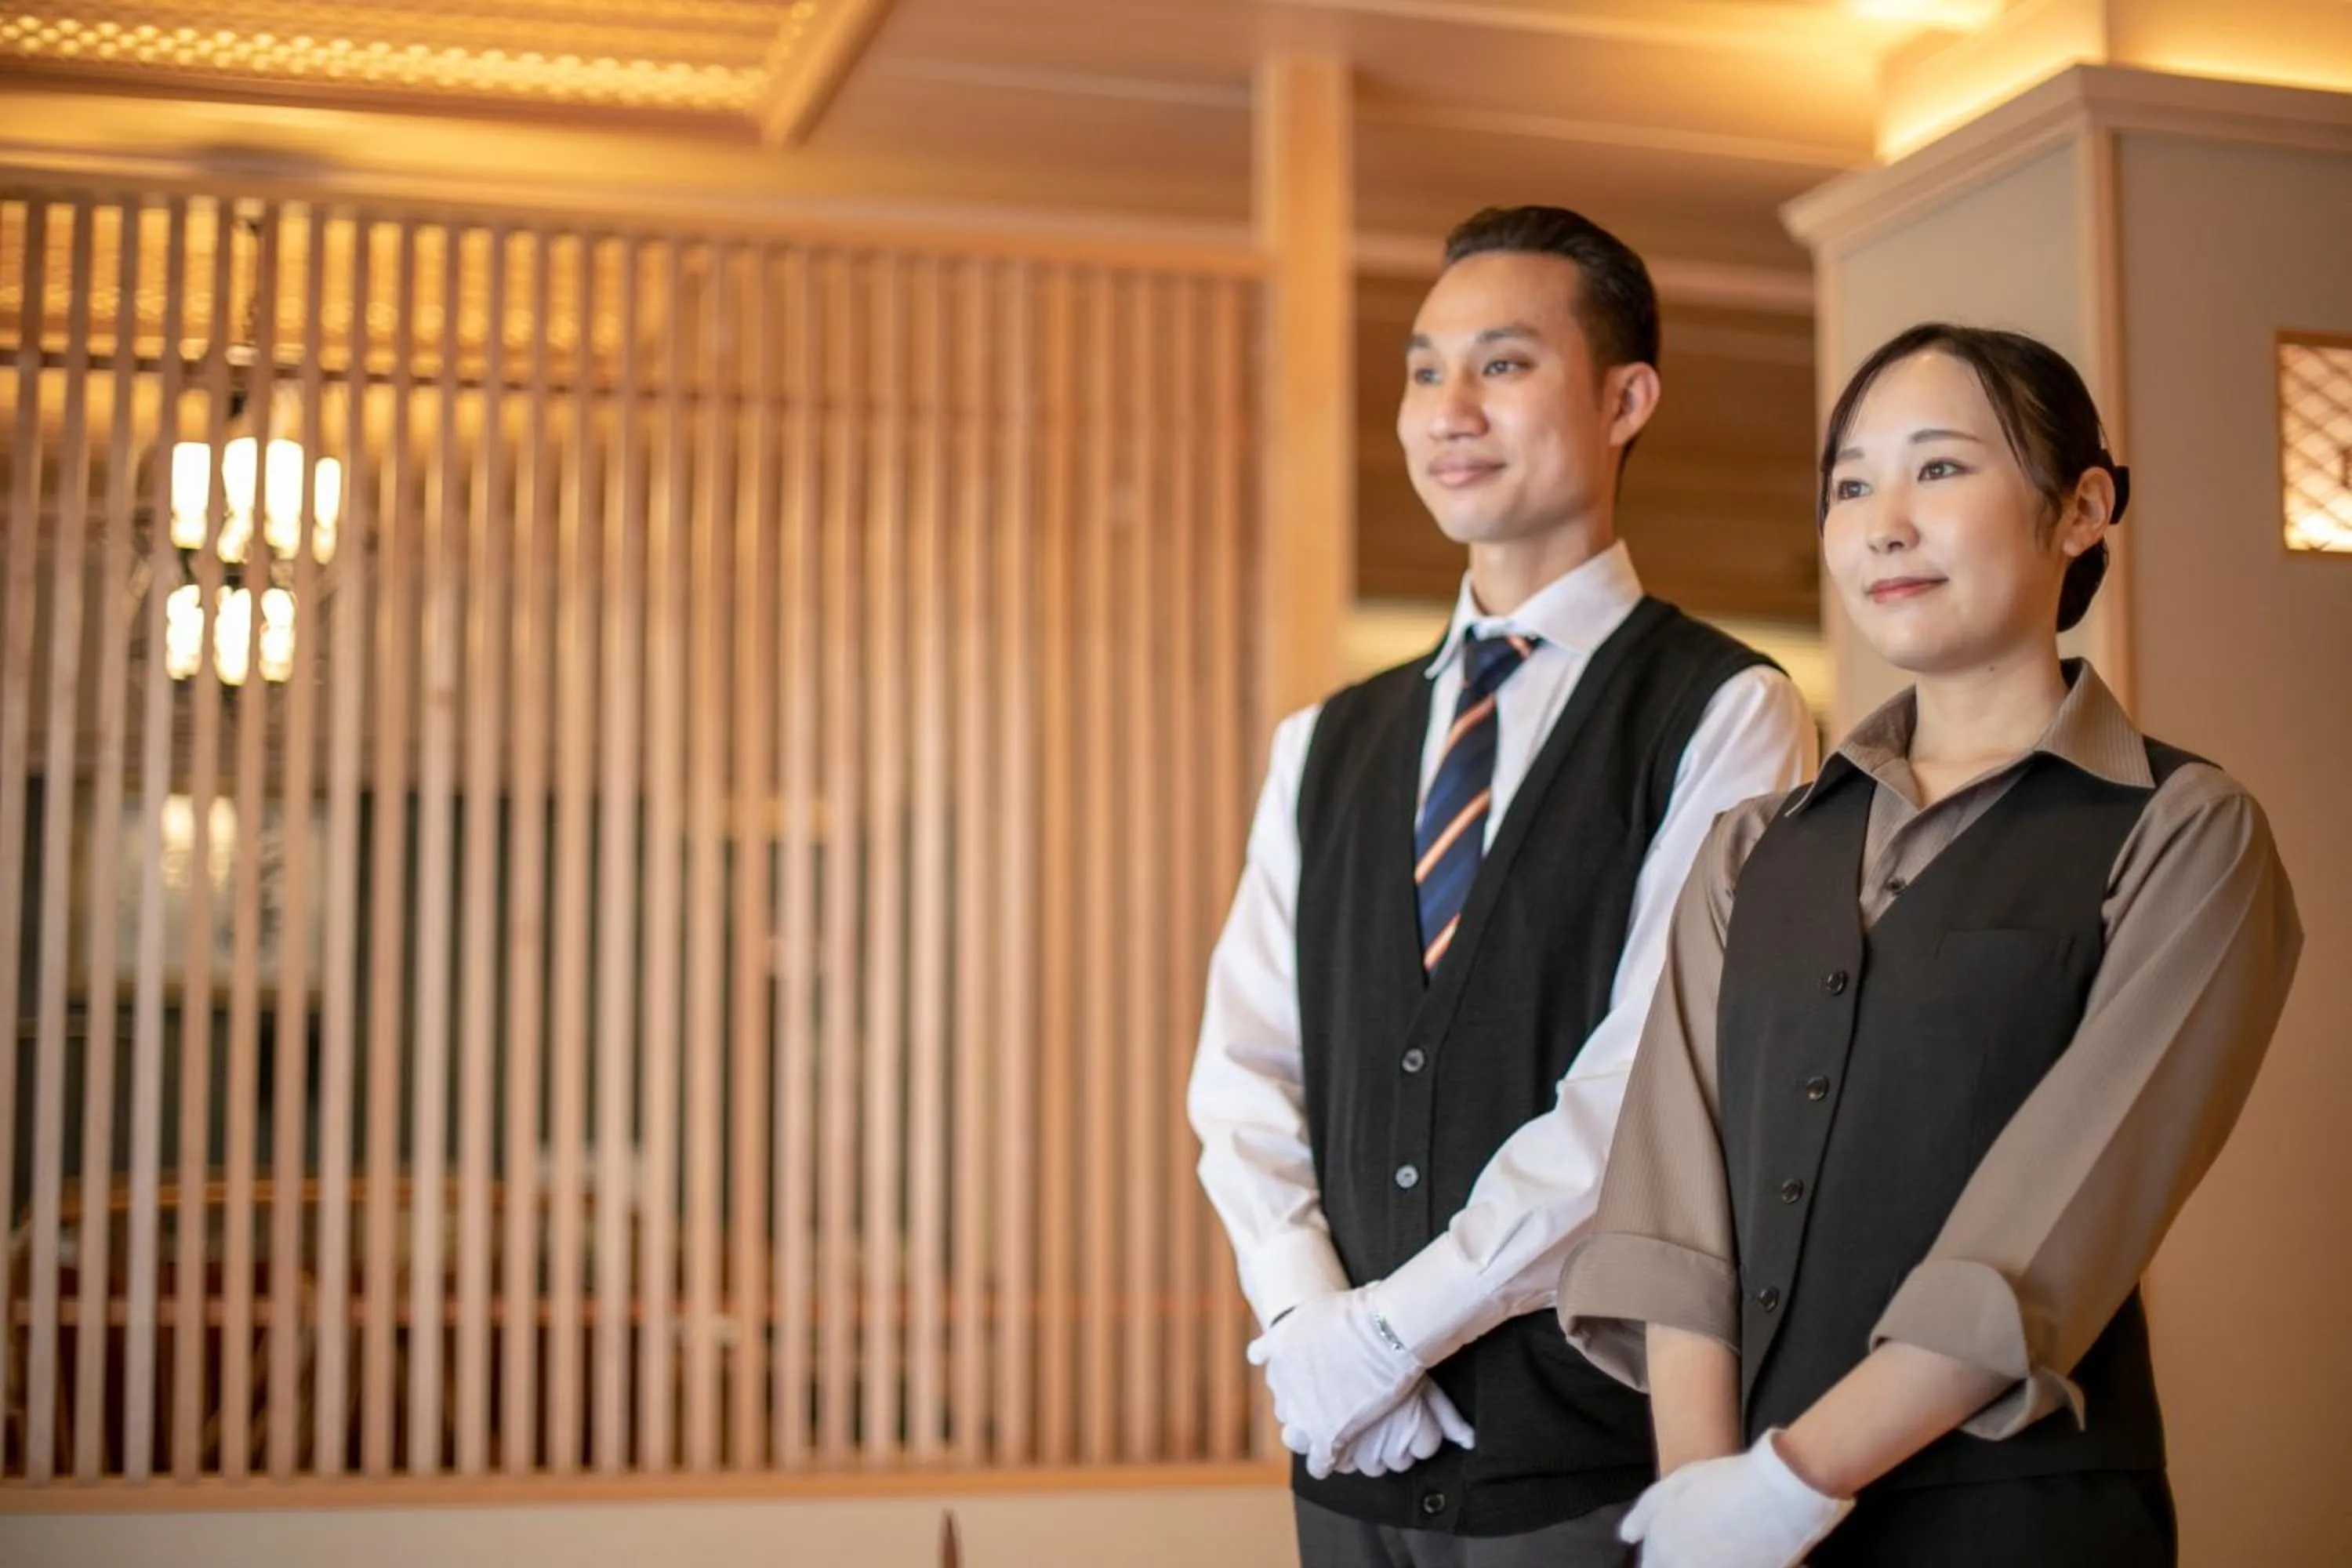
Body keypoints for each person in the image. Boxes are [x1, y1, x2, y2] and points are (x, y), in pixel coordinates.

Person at [1555, 322, 2303, 1567]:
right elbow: (1672, 1201)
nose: (1883, 522)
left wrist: (1788, 1487)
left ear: (2081, 509)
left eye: (1939, 469)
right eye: (1851, 484)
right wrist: (1704, 1508)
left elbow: (2058, 1214)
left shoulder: (2185, 830)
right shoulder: (1753, 845)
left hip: (2012, 1526)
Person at [1187, 205, 1818, 1566]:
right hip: (1348, 1462)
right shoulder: (1326, 743)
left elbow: (1654, 1084)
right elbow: (1243, 1074)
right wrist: (1310, 1329)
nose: (1448, 409)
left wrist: (1390, 1333)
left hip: (1582, 1464)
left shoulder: (1728, 712)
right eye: (1424, 370)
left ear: (1624, 397)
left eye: (1505, 365)